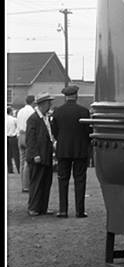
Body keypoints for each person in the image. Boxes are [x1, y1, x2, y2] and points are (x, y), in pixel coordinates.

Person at [51, 84, 92, 218]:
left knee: (63, 180)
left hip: (63, 150)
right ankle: (80, 211)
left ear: (65, 96)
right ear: (76, 95)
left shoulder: (57, 111)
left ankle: (63, 210)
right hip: (80, 149)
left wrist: (62, 141)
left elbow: (54, 132)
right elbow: (88, 131)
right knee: (80, 180)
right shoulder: (84, 111)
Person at [25, 92, 56, 216]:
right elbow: (30, 139)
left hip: (46, 155)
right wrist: (35, 154)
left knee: (46, 182)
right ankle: (33, 207)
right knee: (36, 183)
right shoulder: (33, 119)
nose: (50, 105)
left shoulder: (45, 118)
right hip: (38, 156)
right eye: (49, 103)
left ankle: (43, 206)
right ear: (43, 104)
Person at [16, 94, 35, 192]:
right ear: (33, 101)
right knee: (28, 161)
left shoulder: (20, 111)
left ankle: (23, 184)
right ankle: (27, 185)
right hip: (28, 135)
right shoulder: (32, 111)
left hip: (20, 135)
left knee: (22, 161)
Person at [7, 107, 20, 174]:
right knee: (16, 154)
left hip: (6, 137)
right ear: (10, 112)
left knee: (7, 155)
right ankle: (19, 169)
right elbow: (18, 127)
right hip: (13, 137)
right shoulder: (14, 119)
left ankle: (10, 169)